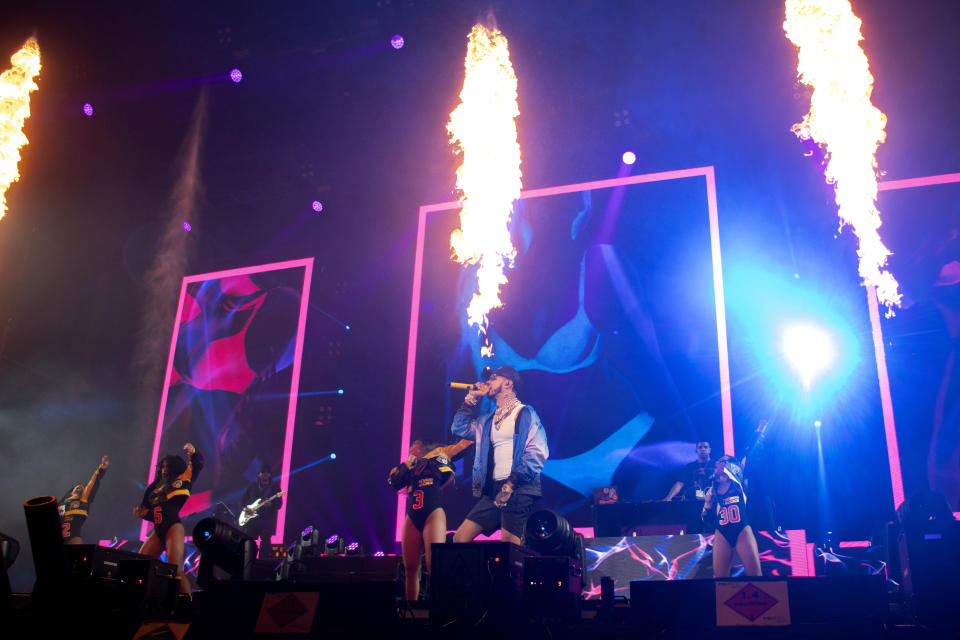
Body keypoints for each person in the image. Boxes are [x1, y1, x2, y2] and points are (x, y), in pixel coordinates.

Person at [451, 365, 549, 545]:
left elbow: (538, 454)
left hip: (518, 487)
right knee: (459, 539)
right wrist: (472, 398)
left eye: (493, 378)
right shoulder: (488, 420)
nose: (488, 382)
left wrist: (511, 484)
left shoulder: (525, 412)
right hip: (494, 489)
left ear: (508, 383)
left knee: (509, 549)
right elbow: (459, 428)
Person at [388, 438, 473, 601]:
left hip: (432, 513)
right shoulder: (408, 468)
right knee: (411, 567)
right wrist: (407, 465)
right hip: (412, 516)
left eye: (416, 445)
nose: (412, 448)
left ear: (422, 448)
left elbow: (461, 447)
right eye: (411, 447)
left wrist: (473, 433)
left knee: (434, 563)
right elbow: (392, 481)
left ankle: (439, 607)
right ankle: (412, 609)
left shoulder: (437, 456)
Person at [135, 443, 203, 596]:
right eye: (163, 466)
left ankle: (188, 605)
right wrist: (143, 514)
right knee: (140, 564)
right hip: (158, 531)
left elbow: (197, 465)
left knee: (175, 569)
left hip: (173, 527)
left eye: (168, 466)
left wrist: (192, 452)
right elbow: (151, 512)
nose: (165, 469)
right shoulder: (154, 487)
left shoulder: (181, 480)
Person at [703, 456, 761, 578]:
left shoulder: (738, 483)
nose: (718, 463)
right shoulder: (713, 488)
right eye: (718, 461)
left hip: (742, 529)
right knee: (720, 578)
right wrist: (708, 504)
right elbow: (705, 519)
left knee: (755, 575)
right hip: (722, 532)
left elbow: (745, 461)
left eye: (723, 461)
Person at [59, 456, 109, 544]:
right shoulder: (63, 503)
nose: (79, 487)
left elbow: (93, 481)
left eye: (81, 487)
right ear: (71, 492)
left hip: (73, 535)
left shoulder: (84, 499)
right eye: (76, 487)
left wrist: (102, 468)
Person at [240, 464, 284, 548]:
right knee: (247, 544)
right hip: (252, 522)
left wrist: (271, 505)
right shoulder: (253, 486)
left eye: (267, 473)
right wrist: (246, 509)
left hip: (266, 522)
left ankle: (264, 559)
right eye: (263, 472)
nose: (265, 475)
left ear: (270, 475)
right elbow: (242, 500)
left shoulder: (274, 488)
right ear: (259, 474)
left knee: (265, 546)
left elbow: (279, 504)